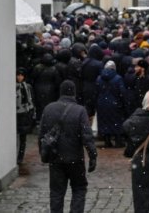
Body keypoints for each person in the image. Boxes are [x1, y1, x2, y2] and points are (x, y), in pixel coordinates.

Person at [39, 80, 97, 213]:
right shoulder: (80, 111)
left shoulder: (49, 109)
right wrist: (93, 156)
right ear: (74, 93)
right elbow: (87, 137)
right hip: (75, 159)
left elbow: (42, 134)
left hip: (55, 158)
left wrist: (43, 154)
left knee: (56, 192)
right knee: (79, 188)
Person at [96, 60, 127, 148]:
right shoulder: (118, 78)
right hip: (115, 104)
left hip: (102, 103)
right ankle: (118, 141)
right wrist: (123, 102)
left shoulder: (99, 78)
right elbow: (122, 92)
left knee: (104, 122)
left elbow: (96, 91)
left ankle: (107, 141)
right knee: (116, 122)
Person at [16, 67, 35, 164]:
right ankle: (16, 156)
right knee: (16, 137)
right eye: (18, 75)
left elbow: (30, 100)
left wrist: (31, 111)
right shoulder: (14, 87)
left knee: (23, 137)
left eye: (21, 75)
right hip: (16, 114)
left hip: (24, 113)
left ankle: (20, 157)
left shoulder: (27, 87)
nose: (20, 77)